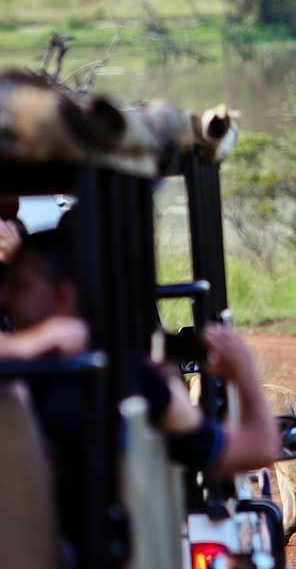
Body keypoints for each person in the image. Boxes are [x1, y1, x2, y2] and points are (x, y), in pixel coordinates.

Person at [0, 224, 278, 543]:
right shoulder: (132, 378)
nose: (4, 298)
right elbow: (259, 447)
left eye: (19, 286)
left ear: (62, 296)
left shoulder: (122, 378)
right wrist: (245, 374)